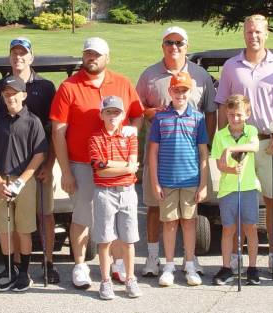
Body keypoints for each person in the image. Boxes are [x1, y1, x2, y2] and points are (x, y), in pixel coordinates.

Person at [49, 37, 144, 289]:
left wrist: (131, 132)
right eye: (88, 54)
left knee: (116, 217)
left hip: (118, 165)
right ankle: (80, 264)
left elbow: (137, 116)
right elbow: (58, 131)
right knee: (82, 215)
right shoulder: (69, 87)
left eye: (97, 55)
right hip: (81, 164)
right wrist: (65, 171)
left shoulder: (122, 83)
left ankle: (117, 263)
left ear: (107, 58)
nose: (92, 58)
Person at [214, 14, 273, 278]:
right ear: (244, 34)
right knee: (237, 197)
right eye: (249, 31)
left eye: (258, 32)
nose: (254, 36)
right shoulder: (231, 66)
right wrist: (222, 142)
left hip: (269, 141)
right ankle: (237, 256)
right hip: (237, 144)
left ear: (267, 34)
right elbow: (221, 106)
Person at [136, 26, 216, 277]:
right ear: (163, 46)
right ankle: (153, 257)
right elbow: (137, 109)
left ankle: (189, 260)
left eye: (179, 43)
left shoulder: (200, 75)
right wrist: (154, 112)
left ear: (186, 46)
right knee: (153, 207)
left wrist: (209, 145)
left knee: (190, 212)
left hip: (191, 159)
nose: (174, 47)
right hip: (159, 155)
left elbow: (210, 112)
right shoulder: (149, 75)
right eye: (169, 42)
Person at [0, 37, 60, 283]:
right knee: (14, 220)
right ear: (10, 57)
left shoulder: (46, 86)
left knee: (44, 213)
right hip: (8, 162)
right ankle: (16, 266)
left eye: (23, 53)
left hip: (40, 159)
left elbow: (53, 127)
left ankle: (48, 263)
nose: (18, 57)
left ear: (31, 57)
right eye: (14, 53)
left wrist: (48, 164)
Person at [0, 76, 47, 292]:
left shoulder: (33, 121)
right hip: (2, 181)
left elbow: (39, 155)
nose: (10, 97)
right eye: (6, 94)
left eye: (14, 93)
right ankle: (9, 269)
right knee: (4, 229)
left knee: (24, 229)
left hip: (24, 182)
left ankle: (23, 273)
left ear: (24, 95)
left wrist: (21, 181)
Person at [147, 72, 209, 287]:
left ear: (189, 92)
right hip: (167, 180)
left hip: (191, 179)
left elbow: (203, 153)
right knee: (170, 223)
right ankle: (170, 265)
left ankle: (190, 263)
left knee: (189, 222)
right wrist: (155, 182)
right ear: (170, 91)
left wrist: (203, 184)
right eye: (176, 90)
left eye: (184, 90)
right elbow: (153, 152)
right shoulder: (160, 118)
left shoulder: (198, 118)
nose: (180, 94)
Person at [88, 96, 142, 300]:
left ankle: (130, 279)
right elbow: (100, 170)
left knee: (128, 240)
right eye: (109, 112)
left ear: (122, 116)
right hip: (104, 193)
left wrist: (112, 164)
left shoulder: (129, 136)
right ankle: (105, 281)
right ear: (102, 114)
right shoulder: (95, 138)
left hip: (127, 191)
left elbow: (133, 165)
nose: (113, 116)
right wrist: (124, 166)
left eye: (117, 112)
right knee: (105, 240)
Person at [210, 95, 261, 286]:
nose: (235, 119)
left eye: (239, 115)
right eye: (231, 115)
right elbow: (219, 165)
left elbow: (254, 147)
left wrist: (230, 148)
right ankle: (226, 268)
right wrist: (231, 169)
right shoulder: (220, 135)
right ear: (226, 114)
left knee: (250, 228)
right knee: (228, 229)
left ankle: (253, 268)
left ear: (247, 114)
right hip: (228, 189)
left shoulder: (251, 131)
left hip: (248, 187)